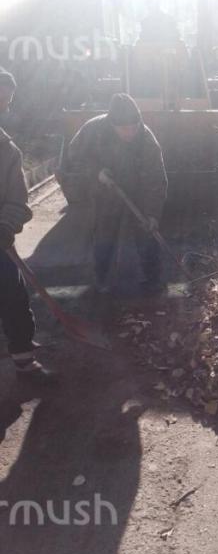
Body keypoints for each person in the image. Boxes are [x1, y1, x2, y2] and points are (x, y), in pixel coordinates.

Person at [63, 93, 168, 293]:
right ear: (112, 124)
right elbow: (74, 155)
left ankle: (154, 280)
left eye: (134, 127)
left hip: (138, 191)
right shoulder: (93, 130)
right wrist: (97, 172)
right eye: (124, 129)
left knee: (147, 233)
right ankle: (102, 280)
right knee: (104, 236)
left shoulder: (147, 139)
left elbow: (156, 180)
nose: (130, 133)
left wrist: (153, 213)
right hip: (104, 191)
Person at [0, 69, 55, 382]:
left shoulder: (7, 151)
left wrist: (6, 225)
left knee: (13, 296)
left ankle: (23, 356)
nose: (2, 107)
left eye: (5, 101)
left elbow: (16, 199)